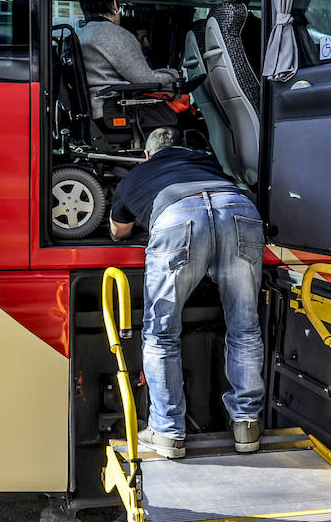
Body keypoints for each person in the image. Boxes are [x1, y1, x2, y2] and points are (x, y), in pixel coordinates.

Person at [109, 127, 265, 459]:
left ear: (148, 156)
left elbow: (117, 231)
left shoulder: (137, 174)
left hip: (178, 217)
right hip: (239, 209)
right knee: (245, 327)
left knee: (161, 333)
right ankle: (247, 424)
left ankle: (167, 433)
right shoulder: (207, 162)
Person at [77, 0, 179, 120]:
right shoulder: (116, 34)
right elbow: (145, 80)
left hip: (94, 111)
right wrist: (174, 75)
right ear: (114, 4)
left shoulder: (81, 35)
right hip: (115, 111)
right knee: (183, 119)